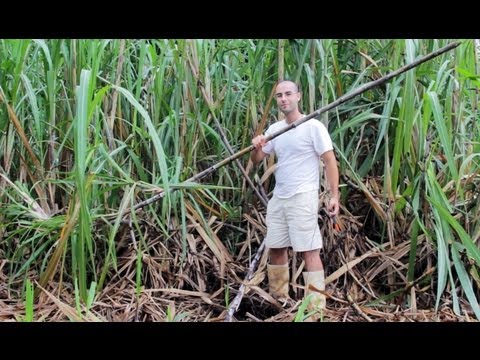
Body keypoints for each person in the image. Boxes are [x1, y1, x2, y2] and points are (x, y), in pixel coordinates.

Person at [251, 80, 339, 320]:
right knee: (276, 248)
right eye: (279, 95)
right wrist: (257, 145)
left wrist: (334, 195)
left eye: (288, 94)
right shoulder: (275, 129)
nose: (283, 99)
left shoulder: (313, 126)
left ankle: (315, 310)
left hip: (304, 196)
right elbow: (258, 159)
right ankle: (278, 301)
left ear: (298, 96)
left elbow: (330, 161)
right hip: (279, 197)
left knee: (309, 251)